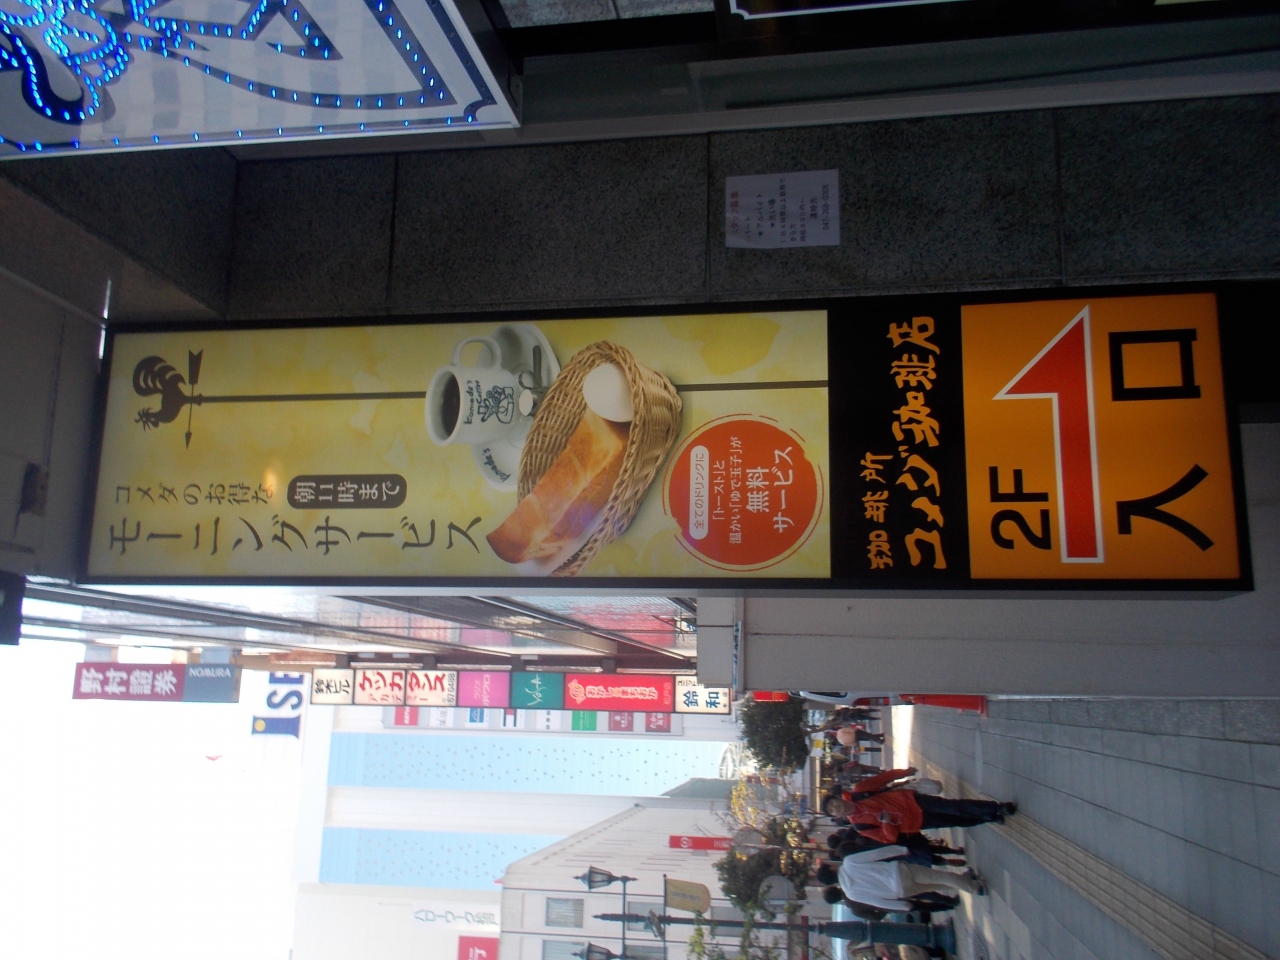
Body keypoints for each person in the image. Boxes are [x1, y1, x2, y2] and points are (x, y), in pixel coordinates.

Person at [821, 767, 1015, 844]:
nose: (835, 808)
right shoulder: (860, 826)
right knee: (956, 820)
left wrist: (904, 772)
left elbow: (884, 778)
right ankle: (989, 817)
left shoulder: (859, 790)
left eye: (833, 804)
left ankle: (996, 808)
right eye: (832, 811)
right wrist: (886, 823)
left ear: (837, 799)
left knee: (954, 807)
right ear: (836, 817)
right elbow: (888, 838)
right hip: (916, 822)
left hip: (912, 800)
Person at [826, 846, 986, 912]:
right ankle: (975, 888)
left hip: (901, 891)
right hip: (899, 873)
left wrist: (902, 905)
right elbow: (876, 854)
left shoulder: (851, 894)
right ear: (831, 869)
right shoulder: (849, 863)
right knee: (939, 876)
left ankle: (966, 880)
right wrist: (899, 849)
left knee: (936, 885)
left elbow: (876, 901)